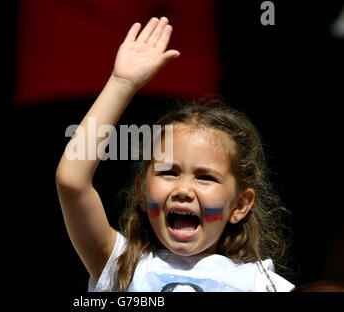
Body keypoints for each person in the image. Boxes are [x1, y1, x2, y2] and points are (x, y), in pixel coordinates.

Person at [56, 17, 294, 292]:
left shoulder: (262, 284)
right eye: (168, 172)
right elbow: (71, 181)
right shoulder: (121, 265)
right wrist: (121, 84)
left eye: (205, 177)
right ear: (143, 192)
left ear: (240, 205)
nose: (183, 189)